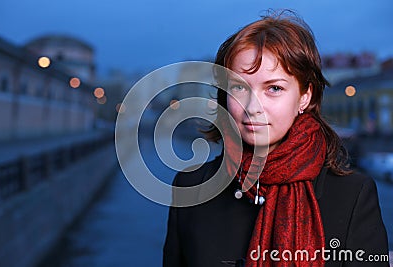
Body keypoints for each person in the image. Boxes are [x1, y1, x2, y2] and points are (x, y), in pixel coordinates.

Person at [163, 10, 389, 267]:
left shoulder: (352, 196)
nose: (252, 106)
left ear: (305, 97)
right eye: (238, 87)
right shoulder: (191, 187)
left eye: (274, 89)